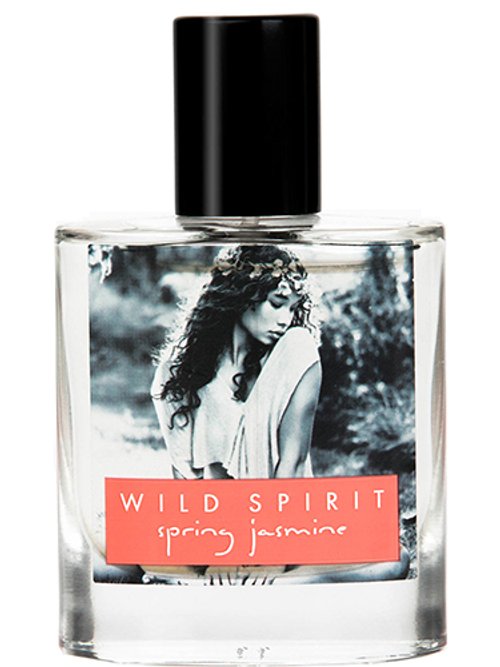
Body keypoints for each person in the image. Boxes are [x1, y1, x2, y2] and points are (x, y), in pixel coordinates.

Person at [151, 245, 321, 480]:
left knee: (299, 339)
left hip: (281, 501)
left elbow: (293, 465)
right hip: (216, 503)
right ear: (243, 294)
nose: (286, 320)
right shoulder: (179, 373)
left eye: (292, 308)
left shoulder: (294, 358)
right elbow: (185, 478)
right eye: (276, 303)